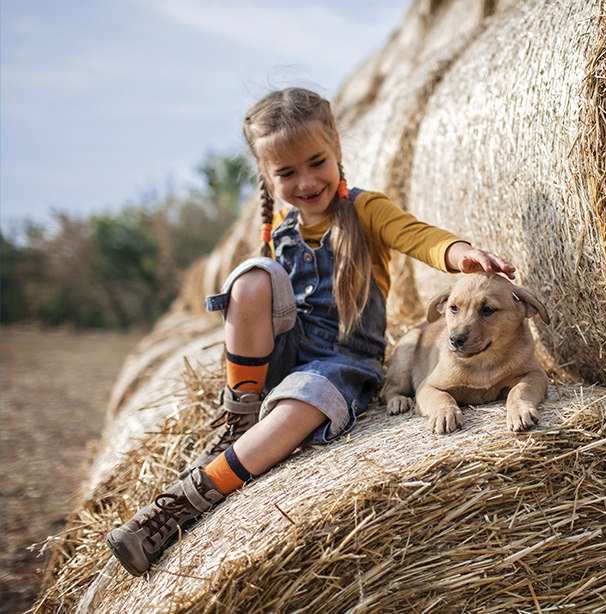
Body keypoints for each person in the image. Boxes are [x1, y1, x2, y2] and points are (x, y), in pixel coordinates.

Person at [106, 87, 516, 576]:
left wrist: (459, 254)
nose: (305, 181)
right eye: (286, 172)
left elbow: (418, 236)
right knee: (253, 276)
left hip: (341, 362)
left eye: (316, 162)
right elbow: (261, 308)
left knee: (303, 400)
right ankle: (239, 419)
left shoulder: (366, 210)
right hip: (286, 352)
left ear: (337, 149)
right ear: (267, 176)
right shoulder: (282, 228)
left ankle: (184, 502)